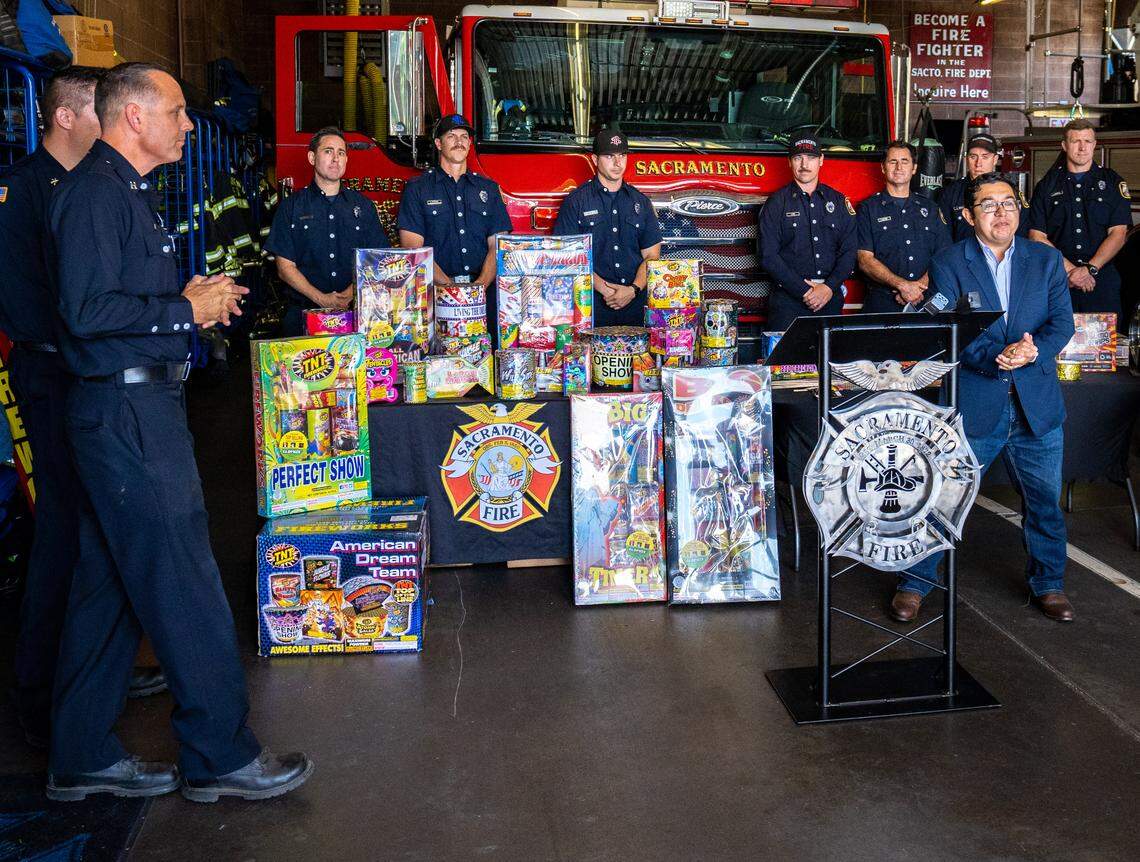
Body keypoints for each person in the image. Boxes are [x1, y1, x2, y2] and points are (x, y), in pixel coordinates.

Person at [47, 62, 311, 802]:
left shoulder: (126, 194)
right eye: (177, 112)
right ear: (134, 117)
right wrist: (178, 314)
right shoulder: (98, 196)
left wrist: (185, 296)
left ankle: (79, 754)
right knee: (184, 582)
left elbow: (115, 297)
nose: (188, 126)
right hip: (127, 416)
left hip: (130, 410)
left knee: (109, 587)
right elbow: (87, 313)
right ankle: (219, 755)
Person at [0, 67, 168, 751]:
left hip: (87, 372)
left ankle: (89, 672)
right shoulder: (27, 192)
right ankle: (40, 686)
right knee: (65, 531)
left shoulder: (90, 189)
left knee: (100, 534)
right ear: (67, 117)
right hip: (51, 372)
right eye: (97, 113)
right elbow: (52, 304)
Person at [889, 172, 1076, 625]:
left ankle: (1049, 584)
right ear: (970, 215)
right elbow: (946, 330)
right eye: (989, 205)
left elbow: (1062, 323)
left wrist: (1031, 351)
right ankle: (916, 582)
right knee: (943, 497)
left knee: (1045, 503)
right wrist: (997, 357)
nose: (1001, 213)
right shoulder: (950, 261)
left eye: (1009, 203)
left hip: (1036, 404)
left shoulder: (1045, 261)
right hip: (976, 403)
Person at [264, 126, 386, 335]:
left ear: (347, 160)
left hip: (356, 314)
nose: (336, 158)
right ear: (312, 158)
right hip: (303, 317)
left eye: (341, 153)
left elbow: (377, 258)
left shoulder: (363, 206)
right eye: (328, 151)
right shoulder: (291, 207)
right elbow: (285, 267)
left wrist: (350, 294)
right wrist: (321, 299)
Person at [397, 114, 512, 326]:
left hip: (483, 297)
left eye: (464, 136)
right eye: (451, 136)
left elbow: (498, 247)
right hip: (435, 296)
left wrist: (478, 287)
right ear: (439, 144)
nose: (459, 141)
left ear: (469, 143)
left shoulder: (488, 189)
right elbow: (413, 249)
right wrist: (451, 288)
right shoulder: (417, 189)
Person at [551, 128, 662, 326]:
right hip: (590, 305)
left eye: (622, 155)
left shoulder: (641, 202)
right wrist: (605, 290)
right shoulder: (576, 202)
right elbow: (566, 257)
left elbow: (652, 256)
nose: (617, 163)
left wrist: (632, 290)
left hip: (635, 306)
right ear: (595, 159)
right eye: (609, 156)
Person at [1027, 118, 1131, 319]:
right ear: (1064, 145)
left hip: (1102, 282)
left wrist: (1090, 269)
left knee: (1105, 346)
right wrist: (1072, 271)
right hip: (1059, 281)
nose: (1082, 147)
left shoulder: (1112, 183)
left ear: (1094, 144)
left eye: (1087, 141)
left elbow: (1119, 234)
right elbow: (1036, 236)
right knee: (1058, 343)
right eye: (1076, 141)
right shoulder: (1047, 186)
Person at [759, 135, 857, 331]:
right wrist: (805, 291)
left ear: (821, 160)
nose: (804, 164)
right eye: (798, 158)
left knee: (831, 359)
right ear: (789, 162)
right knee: (786, 361)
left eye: (811, 158)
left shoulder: (838, 202)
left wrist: (828, 287)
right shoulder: (776, 203)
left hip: (830, 299)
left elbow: (850, 251)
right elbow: (768, 256)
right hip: (788, 301)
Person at [856, 140, 952, 313]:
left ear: (914, 168)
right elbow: (865, 260)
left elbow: (944, 255)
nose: (899, 167)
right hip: (882, 302)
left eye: (905, 161)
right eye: (893, 161)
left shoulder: (930, 209)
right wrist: (902, 286)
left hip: (925, 300)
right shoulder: (868, 208)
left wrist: (917, 288)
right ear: (883, 168)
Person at [938, 133, 1030, 243]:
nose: (978, 164)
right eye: (973, 157)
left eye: (985, 157)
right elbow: (942, 238)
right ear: (967, 159)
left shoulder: (1010, 192)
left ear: (995, 159)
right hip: (961, 257)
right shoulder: (951, 193)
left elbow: (1022, 236)